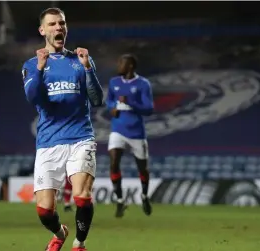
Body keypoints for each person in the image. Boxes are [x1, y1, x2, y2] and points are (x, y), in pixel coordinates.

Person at [22, 7, 103, 251]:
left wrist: (88, 67)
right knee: (44, 210)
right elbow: (32, 97)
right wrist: (39, 68)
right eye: (53, 24)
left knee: (81, 196)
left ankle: (79, 243)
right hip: (48, 141)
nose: (59, 28)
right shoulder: (32, 64)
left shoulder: (80, 61)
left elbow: (97, 99)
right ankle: (60, 233)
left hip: (80, 137)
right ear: (42, 30)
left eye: (62, 23)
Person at [106, 54, 154, 218]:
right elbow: (109, 102)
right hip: (117, 129)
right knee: (113, 163)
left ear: (131, 66)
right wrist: (112, 107)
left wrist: (130, 103)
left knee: (142, 168)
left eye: (122, 63)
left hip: (136, 132)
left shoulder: (143, 84)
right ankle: (120, 200)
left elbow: (149, 108)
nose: (119, 65)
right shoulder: (114, 82)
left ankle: (145, 196)